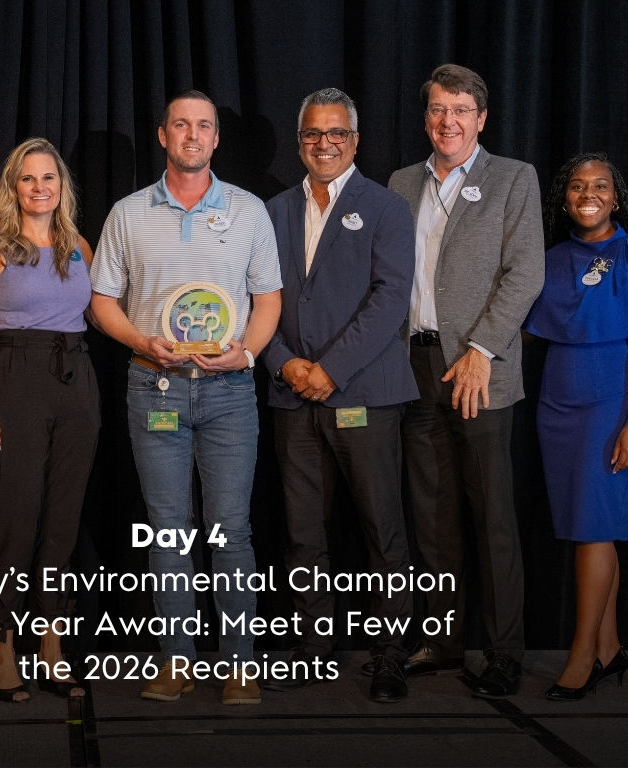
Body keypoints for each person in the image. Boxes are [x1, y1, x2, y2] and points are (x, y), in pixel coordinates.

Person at [90, 90, 282, 705]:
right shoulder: (127, 213)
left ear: (216, 138)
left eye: (203, 126)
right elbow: (101, 302)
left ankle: (239, 664)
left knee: (231, 531)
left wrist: (245, 355)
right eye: (181, 125)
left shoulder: (249, 210)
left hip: (230, 392)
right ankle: (176, 658)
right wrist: (141, 342)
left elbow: (268, 299)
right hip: (155, 388)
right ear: (163, 135)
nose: (192, 135)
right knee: (168, 531)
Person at [388, 64, 544, 698]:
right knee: (432, 514)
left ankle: (504, 652)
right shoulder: (402, 182)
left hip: (477, 371)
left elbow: (525, 272)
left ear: (481, 119)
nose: (447, 121)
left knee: (492, 515)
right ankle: (443, 638)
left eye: (459, 110)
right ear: (426, 118)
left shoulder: (513, 177)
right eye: (437, 110)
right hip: (414, 365)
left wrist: (482, 349)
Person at [261, 89, 418, 703]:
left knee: (382, 530)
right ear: (300, 140)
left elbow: (390, 298)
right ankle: (312, 650)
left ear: (355, 141)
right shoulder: (273, 211)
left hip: (364, 394)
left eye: (336, 134)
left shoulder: (386, 208)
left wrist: (331, 369)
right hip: (292, 397)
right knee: (303, 534)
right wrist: (284, 363)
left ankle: (390, 656)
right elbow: (256, 299)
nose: (323, 144)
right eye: (312, 133)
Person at [525, 153, 628, 700]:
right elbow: (527, 330)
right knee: (590, 529)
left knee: (593, 528)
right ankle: (609, 649)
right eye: (577, 186)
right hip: (556, 405)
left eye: (601, 186)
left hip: (610, 407)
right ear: (564, 199)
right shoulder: (552, 259)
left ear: (616, 198)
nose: (588, 194)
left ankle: (581, 656)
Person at [0, 138, 100, 703]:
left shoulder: (79, 245)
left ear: (61, 186)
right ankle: (3, 648)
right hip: (16, 378)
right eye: (28, 178)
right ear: (13, 187)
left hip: (77, 380)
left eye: (49, 178)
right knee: (16, 520)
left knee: (62, 522)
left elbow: (104, 311)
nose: (39, 187)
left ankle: (51, 647)